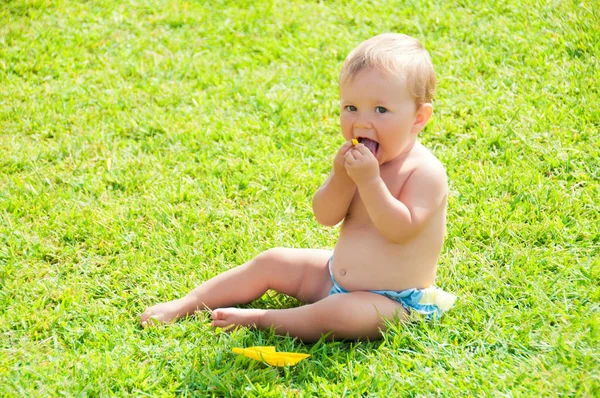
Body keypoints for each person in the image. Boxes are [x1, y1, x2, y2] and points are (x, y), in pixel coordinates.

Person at [140, 33, 456, 342]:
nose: (362, 121)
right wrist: (342, 177)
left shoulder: (424, 172)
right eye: (351, 108)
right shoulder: (356, 163)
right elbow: (326, 215)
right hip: (333, 275)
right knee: (273, 260)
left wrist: (370, 182)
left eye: (381, 110)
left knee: (338, 313)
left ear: (418, 117)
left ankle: (264, 320)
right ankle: (187, 303)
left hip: (392, 301)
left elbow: (400, 230)